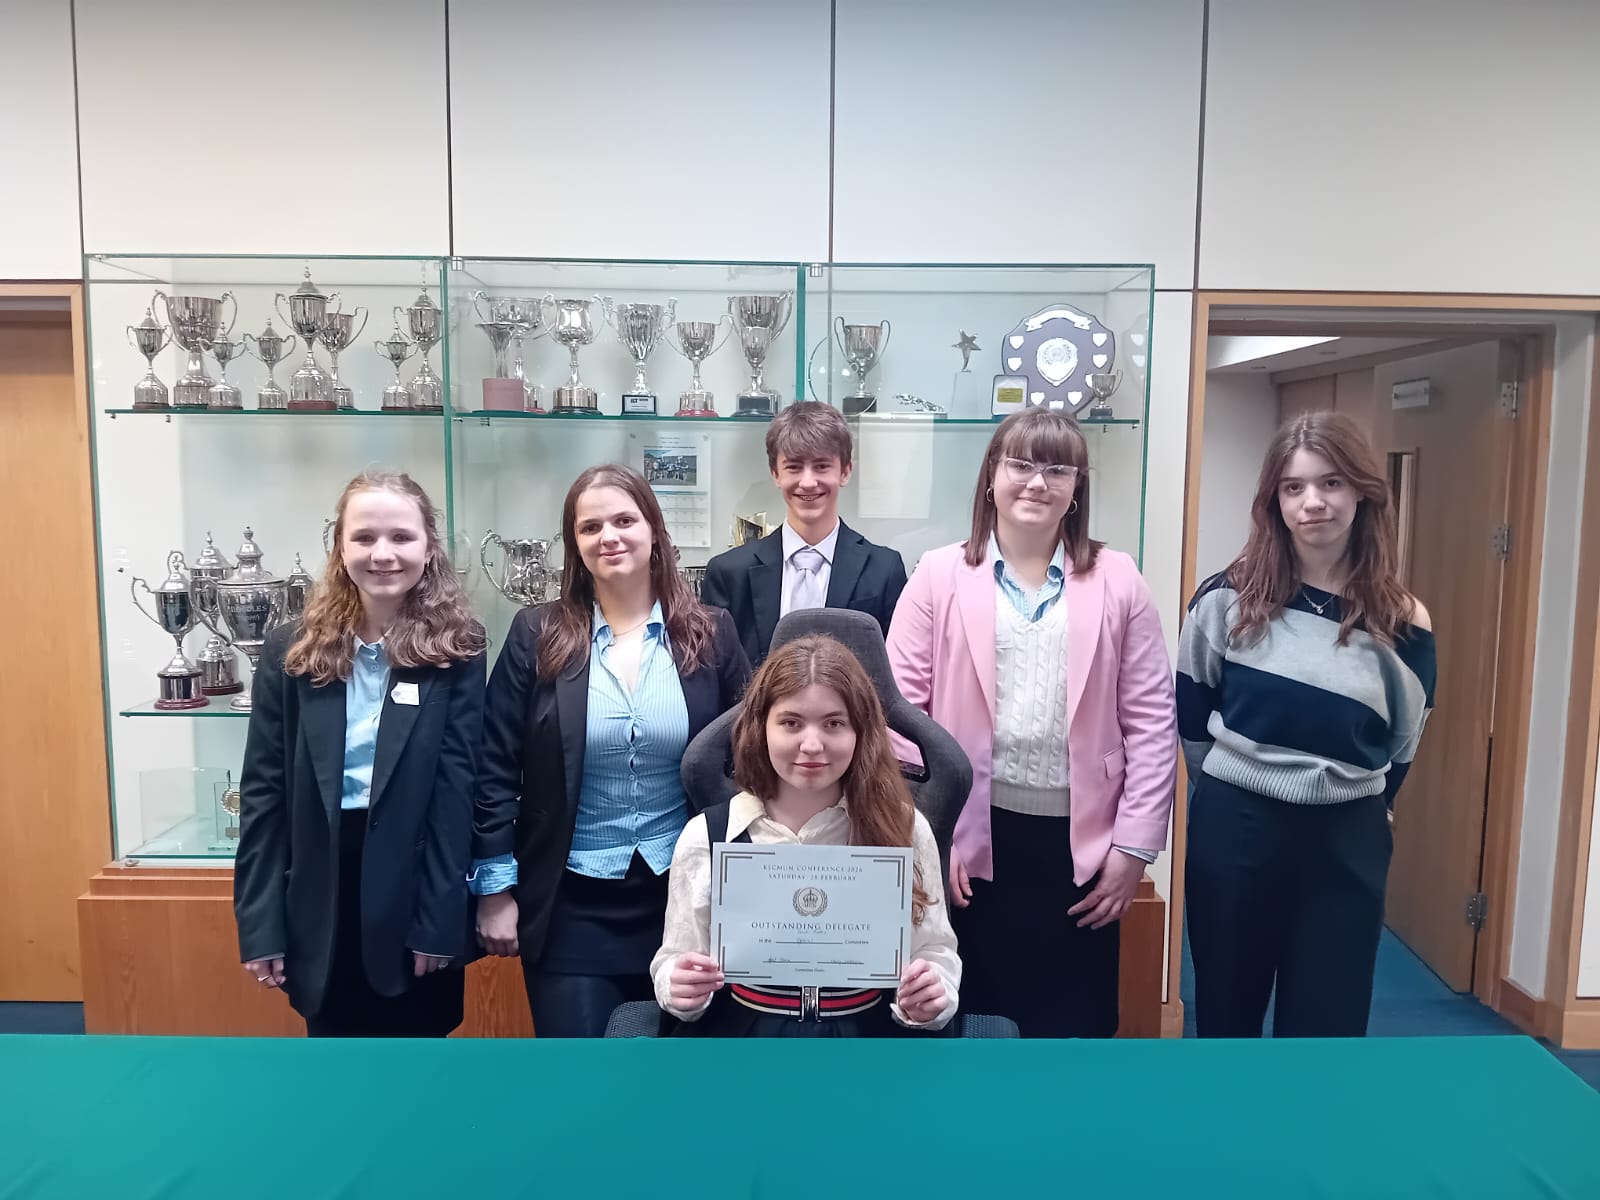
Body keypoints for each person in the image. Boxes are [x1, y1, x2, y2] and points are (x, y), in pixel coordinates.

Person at [887, 407, 1177, 1038]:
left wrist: (1134, 848)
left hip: (1083, 848)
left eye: (1057, 470)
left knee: (1072, 1027)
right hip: (968, 840)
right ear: (992, 476)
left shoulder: (1119, 579)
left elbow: (1154, 723)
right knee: (975, 1020)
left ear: (1076, 490)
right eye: (1020, 465)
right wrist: (930, 834)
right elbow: (899, 719)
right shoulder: (937, 575)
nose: (1037, 482)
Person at [1178, 411, 1435, 1038]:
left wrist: (1344, 799)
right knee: (1226, 1015)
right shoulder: (1226, 597)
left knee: (1328, 1027)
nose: (1312, 502)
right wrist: (1241, 792)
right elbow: (1191, 718)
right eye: (1293, 487)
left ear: (1362, 493)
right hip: (1236, 830)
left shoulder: (1403, 621)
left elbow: (1402, 745)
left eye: (1330, 483)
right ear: (1274, 501)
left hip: (1346, 839)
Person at [471, 464, 750, 1037]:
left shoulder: (711, 633)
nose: (609, 537)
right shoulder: (536, 634)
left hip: (688, 900)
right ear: (574, 544)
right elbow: (494, 765)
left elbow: (752, 759)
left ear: (654, 531)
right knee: (583, 1077)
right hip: (569, 903)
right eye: (590, 527)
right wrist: (495, 890)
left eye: (624, 521)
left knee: (680, 1077)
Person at [234, 470, 487, 1037]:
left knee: (419, 1067)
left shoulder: (459, 649)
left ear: (429, 546)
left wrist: (439, 921)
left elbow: (457, 795)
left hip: (415, 894)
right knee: (332, 1066)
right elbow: (264, 797)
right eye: (364, 537)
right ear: (339, 547)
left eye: (401, 537)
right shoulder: (291, 650)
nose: (383, 554)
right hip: (319, 895)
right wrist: (260, 924)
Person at [651, 634, 959, 1035]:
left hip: (865, 1036)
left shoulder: (903, 828)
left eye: (834, 724)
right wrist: (679, 986)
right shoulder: (709, 837)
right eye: (791, 723)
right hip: (745, 1037)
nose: (812, 745)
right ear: (761, 727)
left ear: (861, 731)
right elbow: (675, 957)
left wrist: (931, 994)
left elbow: (935, 950)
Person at [700, 401, 907, 666]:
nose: (808, 482)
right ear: (775, 473)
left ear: (845, 471)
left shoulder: (884, 570)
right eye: (794, 467)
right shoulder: (729, 574)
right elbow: (717, 676)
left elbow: (891, 675)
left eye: (821, 466)